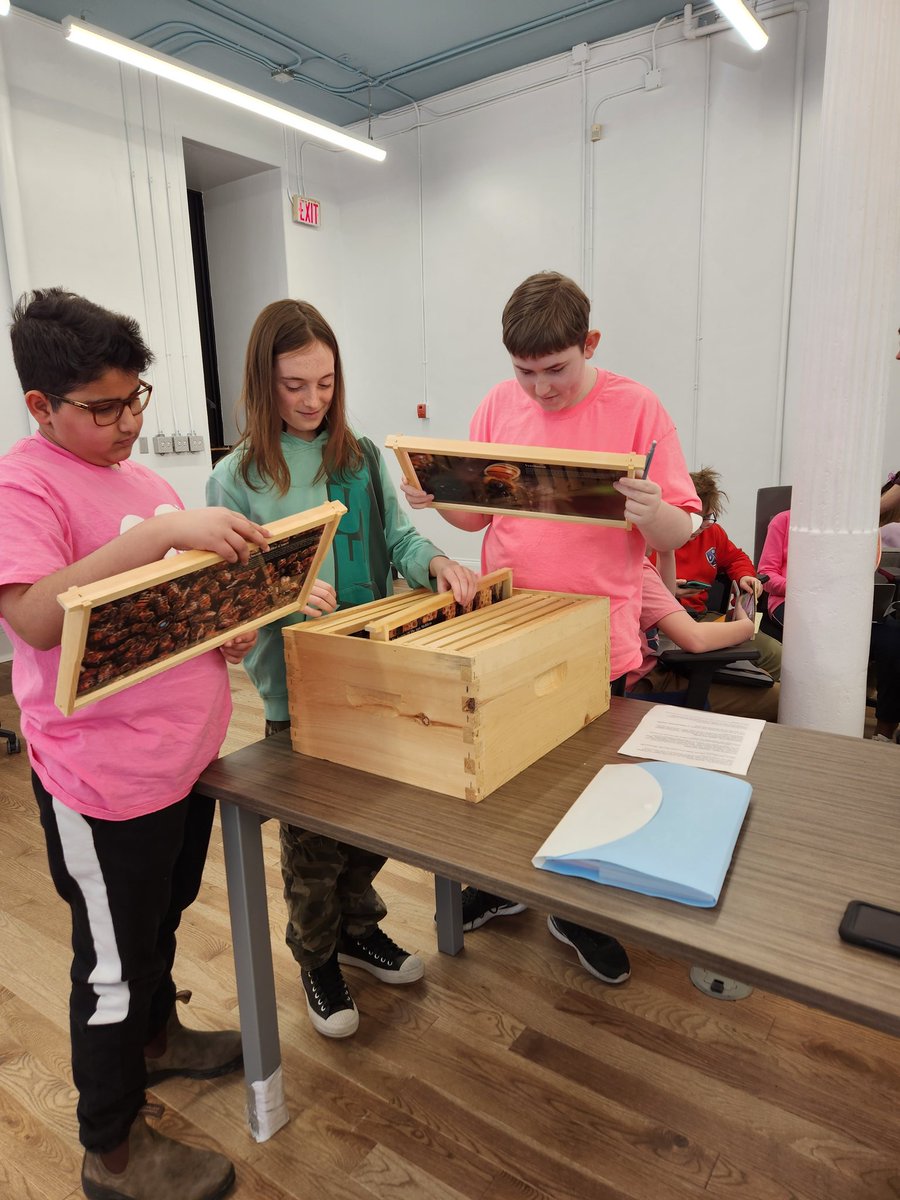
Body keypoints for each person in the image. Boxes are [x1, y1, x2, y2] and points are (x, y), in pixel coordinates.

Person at [0, 289, 271, 1200]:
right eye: (104, 408)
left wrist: (222, 626)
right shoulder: (23, 485)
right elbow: (38, 618)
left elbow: (171, 607)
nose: (129, 423)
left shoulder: (147, 484)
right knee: (112, 964)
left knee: (161, 920)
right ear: (41, 406)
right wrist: (160, 536)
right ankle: (111, 1148)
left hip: (181, 761)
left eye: (136, 399)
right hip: (100, 781)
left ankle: (157, 1040)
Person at [403, 270, 700, 980]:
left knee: (591, 783)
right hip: (509, 627)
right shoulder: (496, 405)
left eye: (556, 369)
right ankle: (503, 886)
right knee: (507, 771)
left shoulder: (638, 407)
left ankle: (577, 910)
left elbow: (682, 528)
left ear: (589, 343)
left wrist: (654, 511)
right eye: (525, 371)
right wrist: (434, 497)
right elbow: (477, 516)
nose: (540, 389)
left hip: (599, 634)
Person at [207, 299, 478, 1038]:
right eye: (294, 385)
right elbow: (227, 595)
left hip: (375, 672)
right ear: (262, 383)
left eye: (325, 383)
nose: (312, 400)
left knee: (371, 823)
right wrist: (283, 593)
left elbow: (400, 540)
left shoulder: (357, 457)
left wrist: (439, 562)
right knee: (313, 843)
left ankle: (359, 930)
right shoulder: (235, 478)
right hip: (299, 691)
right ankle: (317, 957)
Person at [627, 556, 780, 720]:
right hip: (642, 684)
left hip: (650, 665)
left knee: (767, 670)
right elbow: (696, 638)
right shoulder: (638, 568)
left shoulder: (630, 562)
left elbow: (666, 597)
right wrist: (747, 626)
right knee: (781, 699)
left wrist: (666, 552)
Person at [669, 466, 781, 680]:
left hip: (701, 618)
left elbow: (736, 558)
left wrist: (745, 576)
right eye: (694, 518)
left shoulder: (712, 533)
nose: (701, 526)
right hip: (665, 625)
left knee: (775, 655)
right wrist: (667, 590)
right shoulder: (652, 539)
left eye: (708, 517)